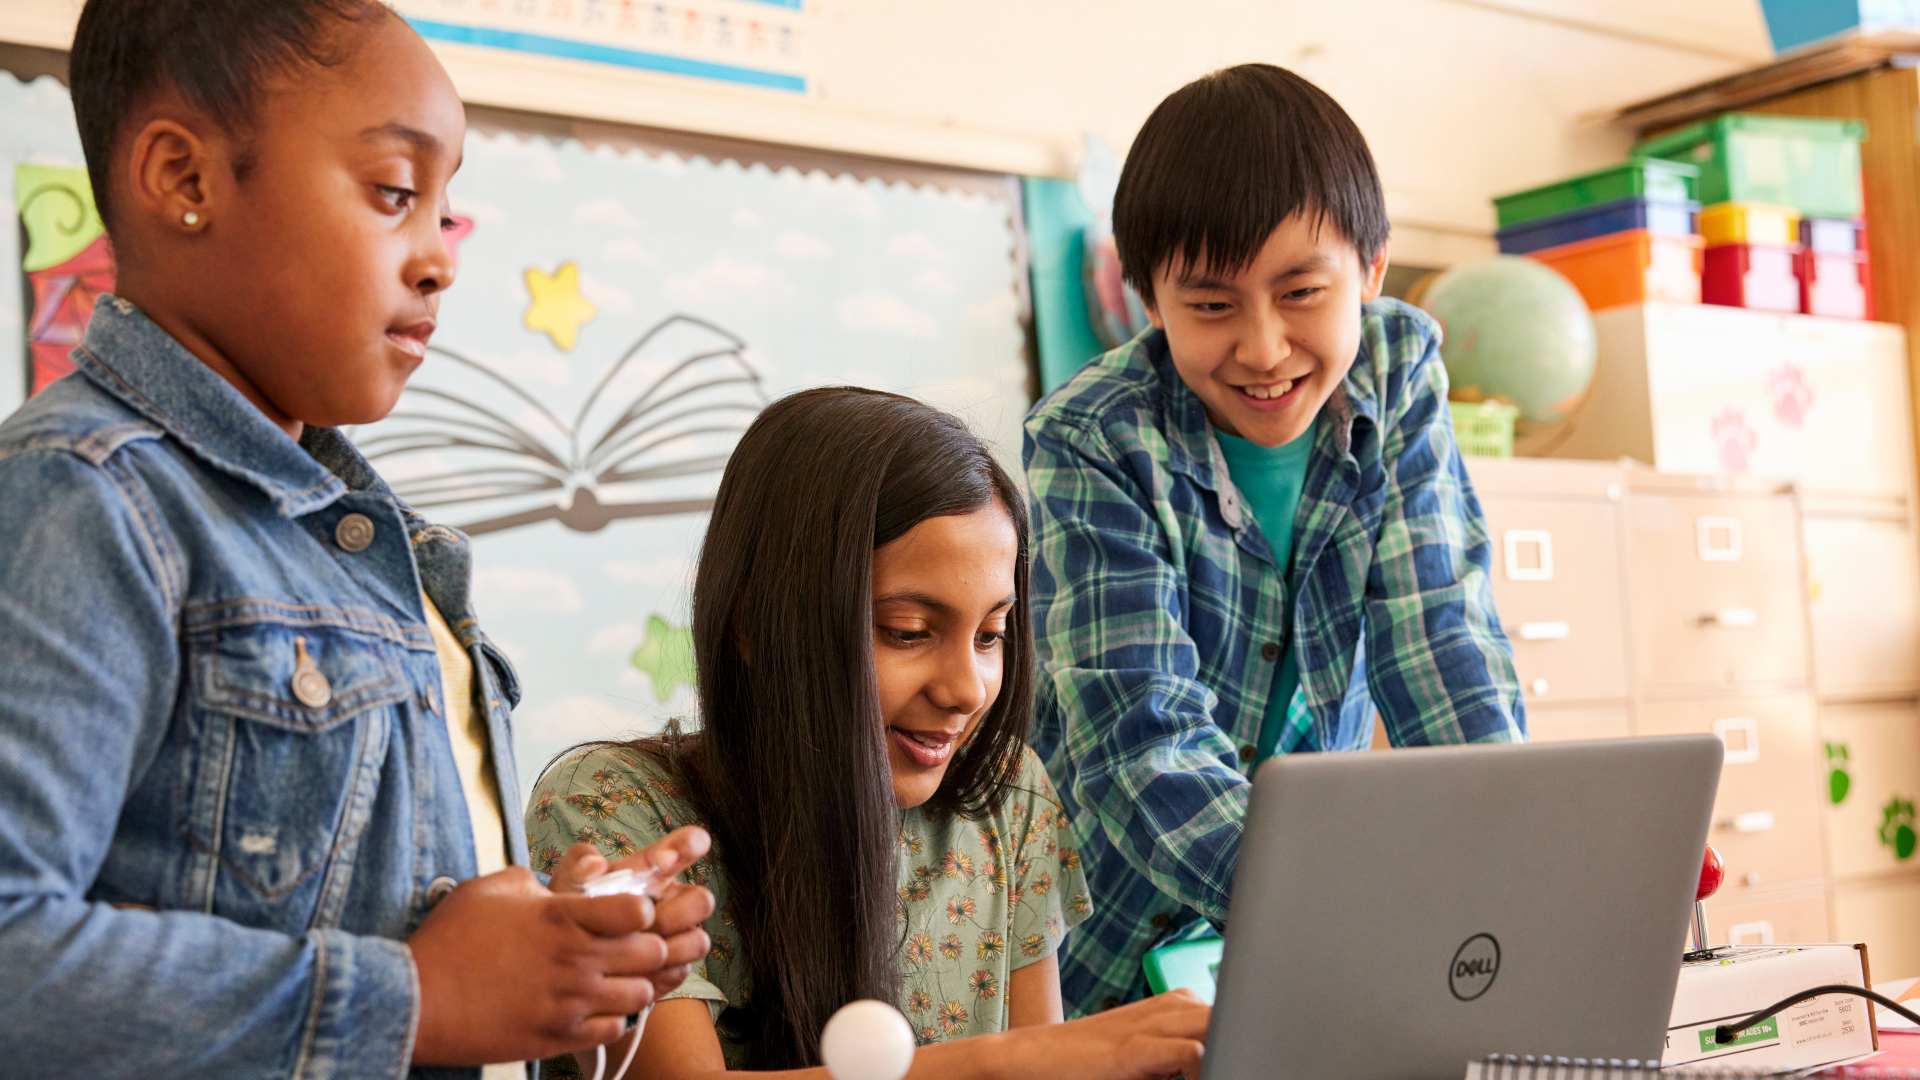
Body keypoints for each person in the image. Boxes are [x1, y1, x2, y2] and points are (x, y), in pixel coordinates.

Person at [0, 1, 713, 1075]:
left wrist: (551, 947)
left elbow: (374, 910)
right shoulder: (87, 494)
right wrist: (418, 997)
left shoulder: (388, 550)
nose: (438, 261)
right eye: (394, 193)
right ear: (185, 180)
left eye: (444, 208)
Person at [1023, 63, 1527, 1015]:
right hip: (1114, 948)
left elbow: (1444, 648)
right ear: (1148, 301)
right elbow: (1142, 745)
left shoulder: (1398, 370)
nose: (1262, 348)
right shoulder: (1092, 439)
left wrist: (1510, 872)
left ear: (1371, 272)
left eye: (1301, 292)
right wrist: (1336, 908)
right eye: (1211, 307)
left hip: (1323, 941)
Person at [528, 388, 1210, 1080]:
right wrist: (1016, 1061)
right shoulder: (614, 810)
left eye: (990, 635)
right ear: (754, 627)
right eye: (908, 632)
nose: (967, 689)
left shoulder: (1005, 792)